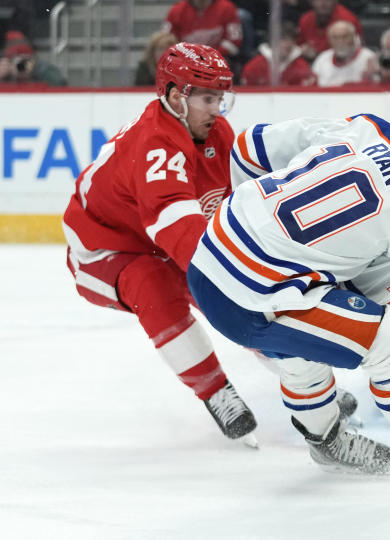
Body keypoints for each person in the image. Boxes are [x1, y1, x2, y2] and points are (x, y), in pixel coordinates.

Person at [186, 93, 390, 496]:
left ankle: (325, 439)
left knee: (304, 320)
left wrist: (262, 234)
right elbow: (365, 296)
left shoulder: (368, 128)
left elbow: (250, 147)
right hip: (248, 301)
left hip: (210, 249)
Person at [60, 43, 258, 443]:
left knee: (245, 297)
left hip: (160, 241)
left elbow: (229, 208)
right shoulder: (154, 143)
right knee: (157, 284)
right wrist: (239, 278)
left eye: (220, 98)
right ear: (174, 97)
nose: (217, 109)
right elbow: (179, 231)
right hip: (103, 250)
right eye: (207, 98)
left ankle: (306, 383)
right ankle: (216, 392)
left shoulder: (216, 132)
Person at [162, 0, 242, 64]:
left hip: (219, 60)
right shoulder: (176, 10)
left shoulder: (227, 8)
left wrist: (209, 56)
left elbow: (234, 41)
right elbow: (165, 40)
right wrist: (187, 56)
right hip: (185, 61)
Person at [241, 22, 317, 86]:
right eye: (283, 39)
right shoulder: (254, 66)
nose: (288, 44)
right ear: (273, 41)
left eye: (292, 40)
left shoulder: (301, 66)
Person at [311, 20, 376, 86]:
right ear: (329, 40)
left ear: (354, 37)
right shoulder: (322, 58)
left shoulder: (368, 57)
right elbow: (313, 85)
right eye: (335, 37)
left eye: (344, 36)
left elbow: (378, 86)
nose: (340, 41)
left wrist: (369, 79)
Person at [296, 0, 361, 62]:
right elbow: (299, 46)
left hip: (343, 63)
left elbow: (356, 51)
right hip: (311, 63)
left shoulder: (347, 20)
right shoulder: (305, 20)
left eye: (328, 0)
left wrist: (317, 55)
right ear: (311, 2)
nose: (323, 3)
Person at [0, 29, 66, 86]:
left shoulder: (41, 70)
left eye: (25, 61)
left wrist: (35, 68)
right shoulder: (5, 75)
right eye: (15, 61)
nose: (21, 65)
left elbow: (59, 84)